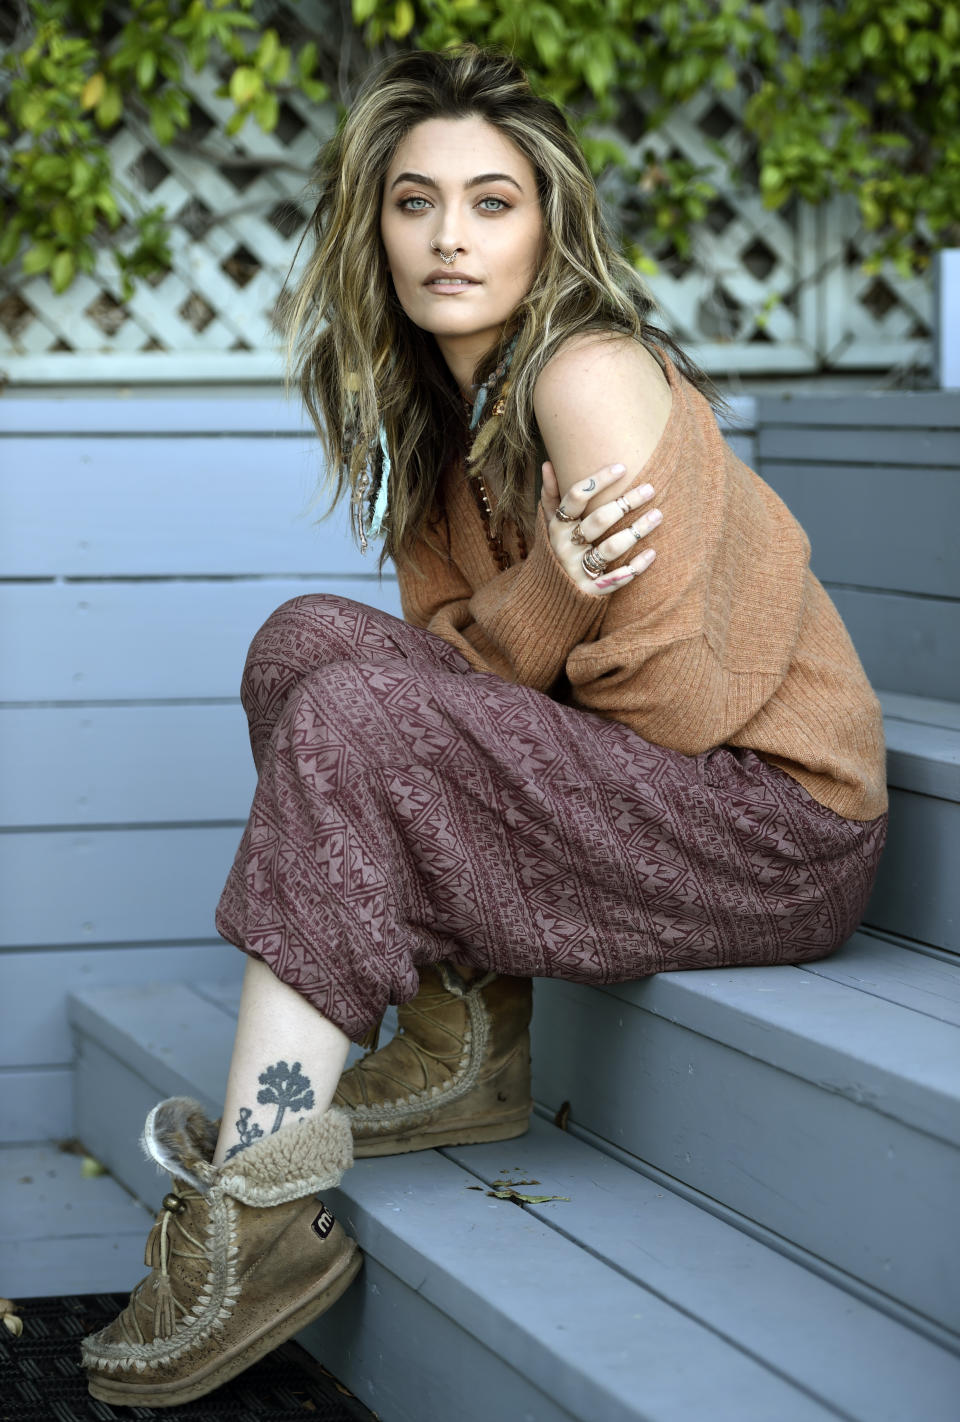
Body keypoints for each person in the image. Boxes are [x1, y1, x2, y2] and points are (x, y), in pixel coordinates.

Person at [81, 44, 888, 1408]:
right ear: (374, 225)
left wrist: (537, 612)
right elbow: (473, 679)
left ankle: (257, 1207)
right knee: (308, 641)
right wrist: (559, 590)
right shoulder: (440, 428)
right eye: (415, 200)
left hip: (771, 825)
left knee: (359, 702)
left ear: (548, 224)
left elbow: (678, 707)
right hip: (648, 799)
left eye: (492, 200)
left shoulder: (587, 377)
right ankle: (462, 1035)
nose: (450, 235)